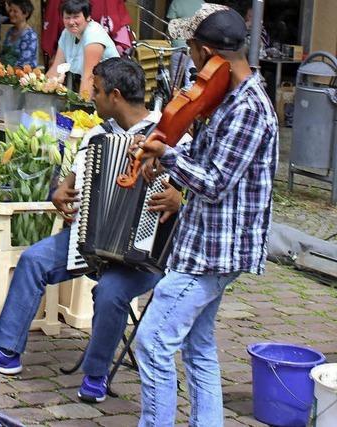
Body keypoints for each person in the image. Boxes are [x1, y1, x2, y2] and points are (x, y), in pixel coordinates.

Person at [0, 57, 185, 403]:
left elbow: (200, 190)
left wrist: (179, 198)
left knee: (110, 292)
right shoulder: (97, 135)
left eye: (96, 91)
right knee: (34, 260)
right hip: (89, 239)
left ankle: (95, 374)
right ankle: (5, 353)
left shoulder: (170, 134)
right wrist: (58, 193)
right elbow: (70, 184)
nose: (90, 97)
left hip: (145, 254)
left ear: (116, 95)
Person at [132, 4, 278, 425]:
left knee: (153, 343)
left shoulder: (250, 108)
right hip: (201, 243)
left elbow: (215, 181)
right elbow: (202, 151)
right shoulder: (225, 95)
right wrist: (161, 150)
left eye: (193, 51)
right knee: (197, 347)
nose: (192, 64)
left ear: (209, 51)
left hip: (215, 252)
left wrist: (170, 156)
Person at [46, 0, 119, 98]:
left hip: (112, 91)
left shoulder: (93, 34)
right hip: (96, 88)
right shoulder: (66, 33)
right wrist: (41, 87)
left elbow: (88, 77)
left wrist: (81, 108)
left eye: (76, 17)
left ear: (88, 17)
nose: (71, 22)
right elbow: (56, 68)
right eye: (67, 17)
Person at [0, 0, 38, 67]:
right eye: (10, 10)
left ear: (26, 14)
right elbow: (3, 55)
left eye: (15, 11)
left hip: (21, 75)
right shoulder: (10, 31)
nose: (11, 14)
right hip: (5, 73)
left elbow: (24, 64)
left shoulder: (30, 36)